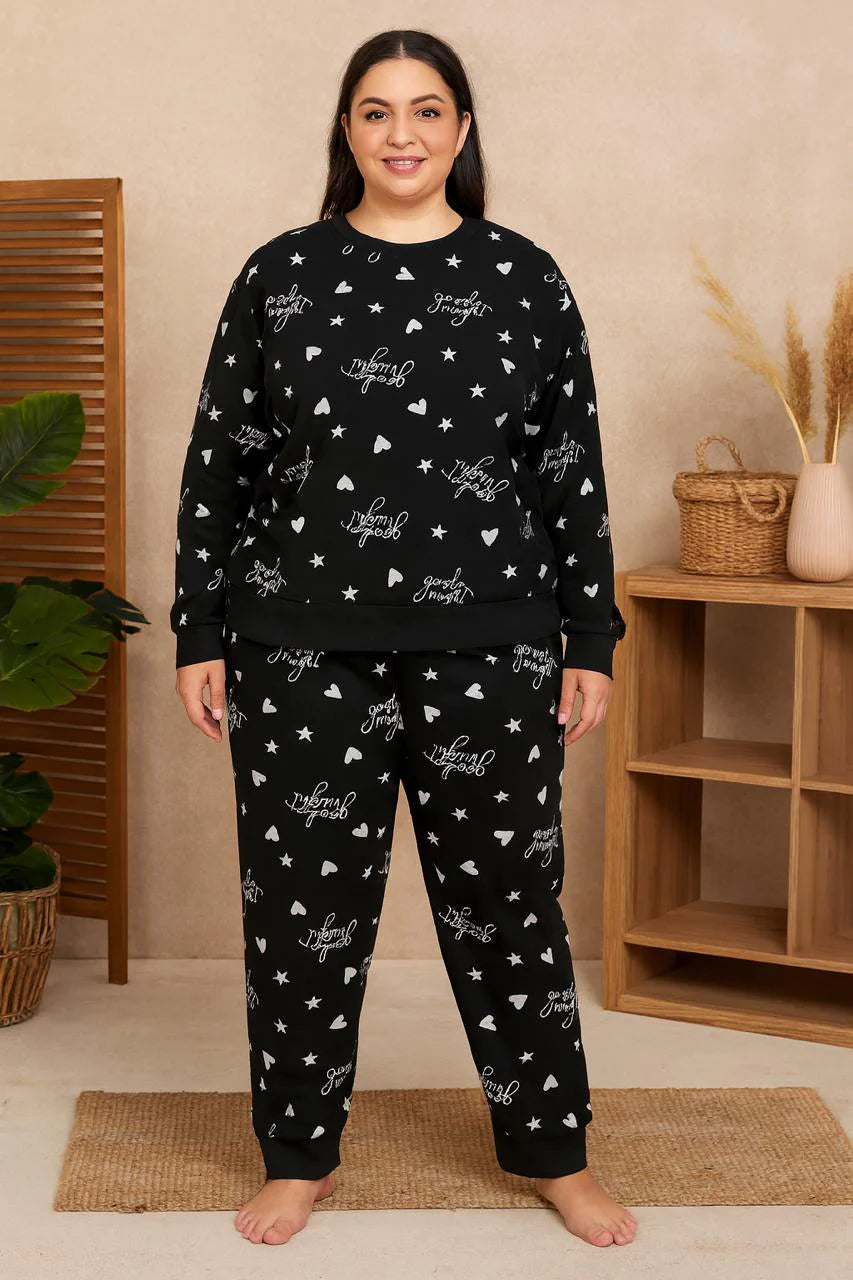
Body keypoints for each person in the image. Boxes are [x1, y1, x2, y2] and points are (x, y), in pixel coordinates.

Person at [170, 27, 635, 1251]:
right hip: (296, 645)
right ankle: (298, 1157)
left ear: (461, 130)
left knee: (511, 906)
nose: (402, 134)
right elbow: (220, 461)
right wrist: (197, 628)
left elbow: (571, 469)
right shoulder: (280, 275)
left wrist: (589, 636)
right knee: (300, 913)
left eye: (427, 110)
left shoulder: (526, 278)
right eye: (376, 111)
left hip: (496, 645)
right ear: (347, 131)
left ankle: (555, 1152)